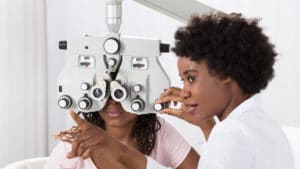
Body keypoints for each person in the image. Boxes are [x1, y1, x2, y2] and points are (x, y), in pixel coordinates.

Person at [62, 12, 295, 169]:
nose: (183, 93)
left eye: (191, 79)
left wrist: (122, 155)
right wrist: (206, 126)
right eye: (183, 81)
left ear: (225, 74)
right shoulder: (265, 128)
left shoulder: (230, 135)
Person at [44, 98, 214, 169]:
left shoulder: (158, 131)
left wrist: (207, 125)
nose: (113, 102)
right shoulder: (75, 142)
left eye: (123, 93)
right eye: (105, 93)